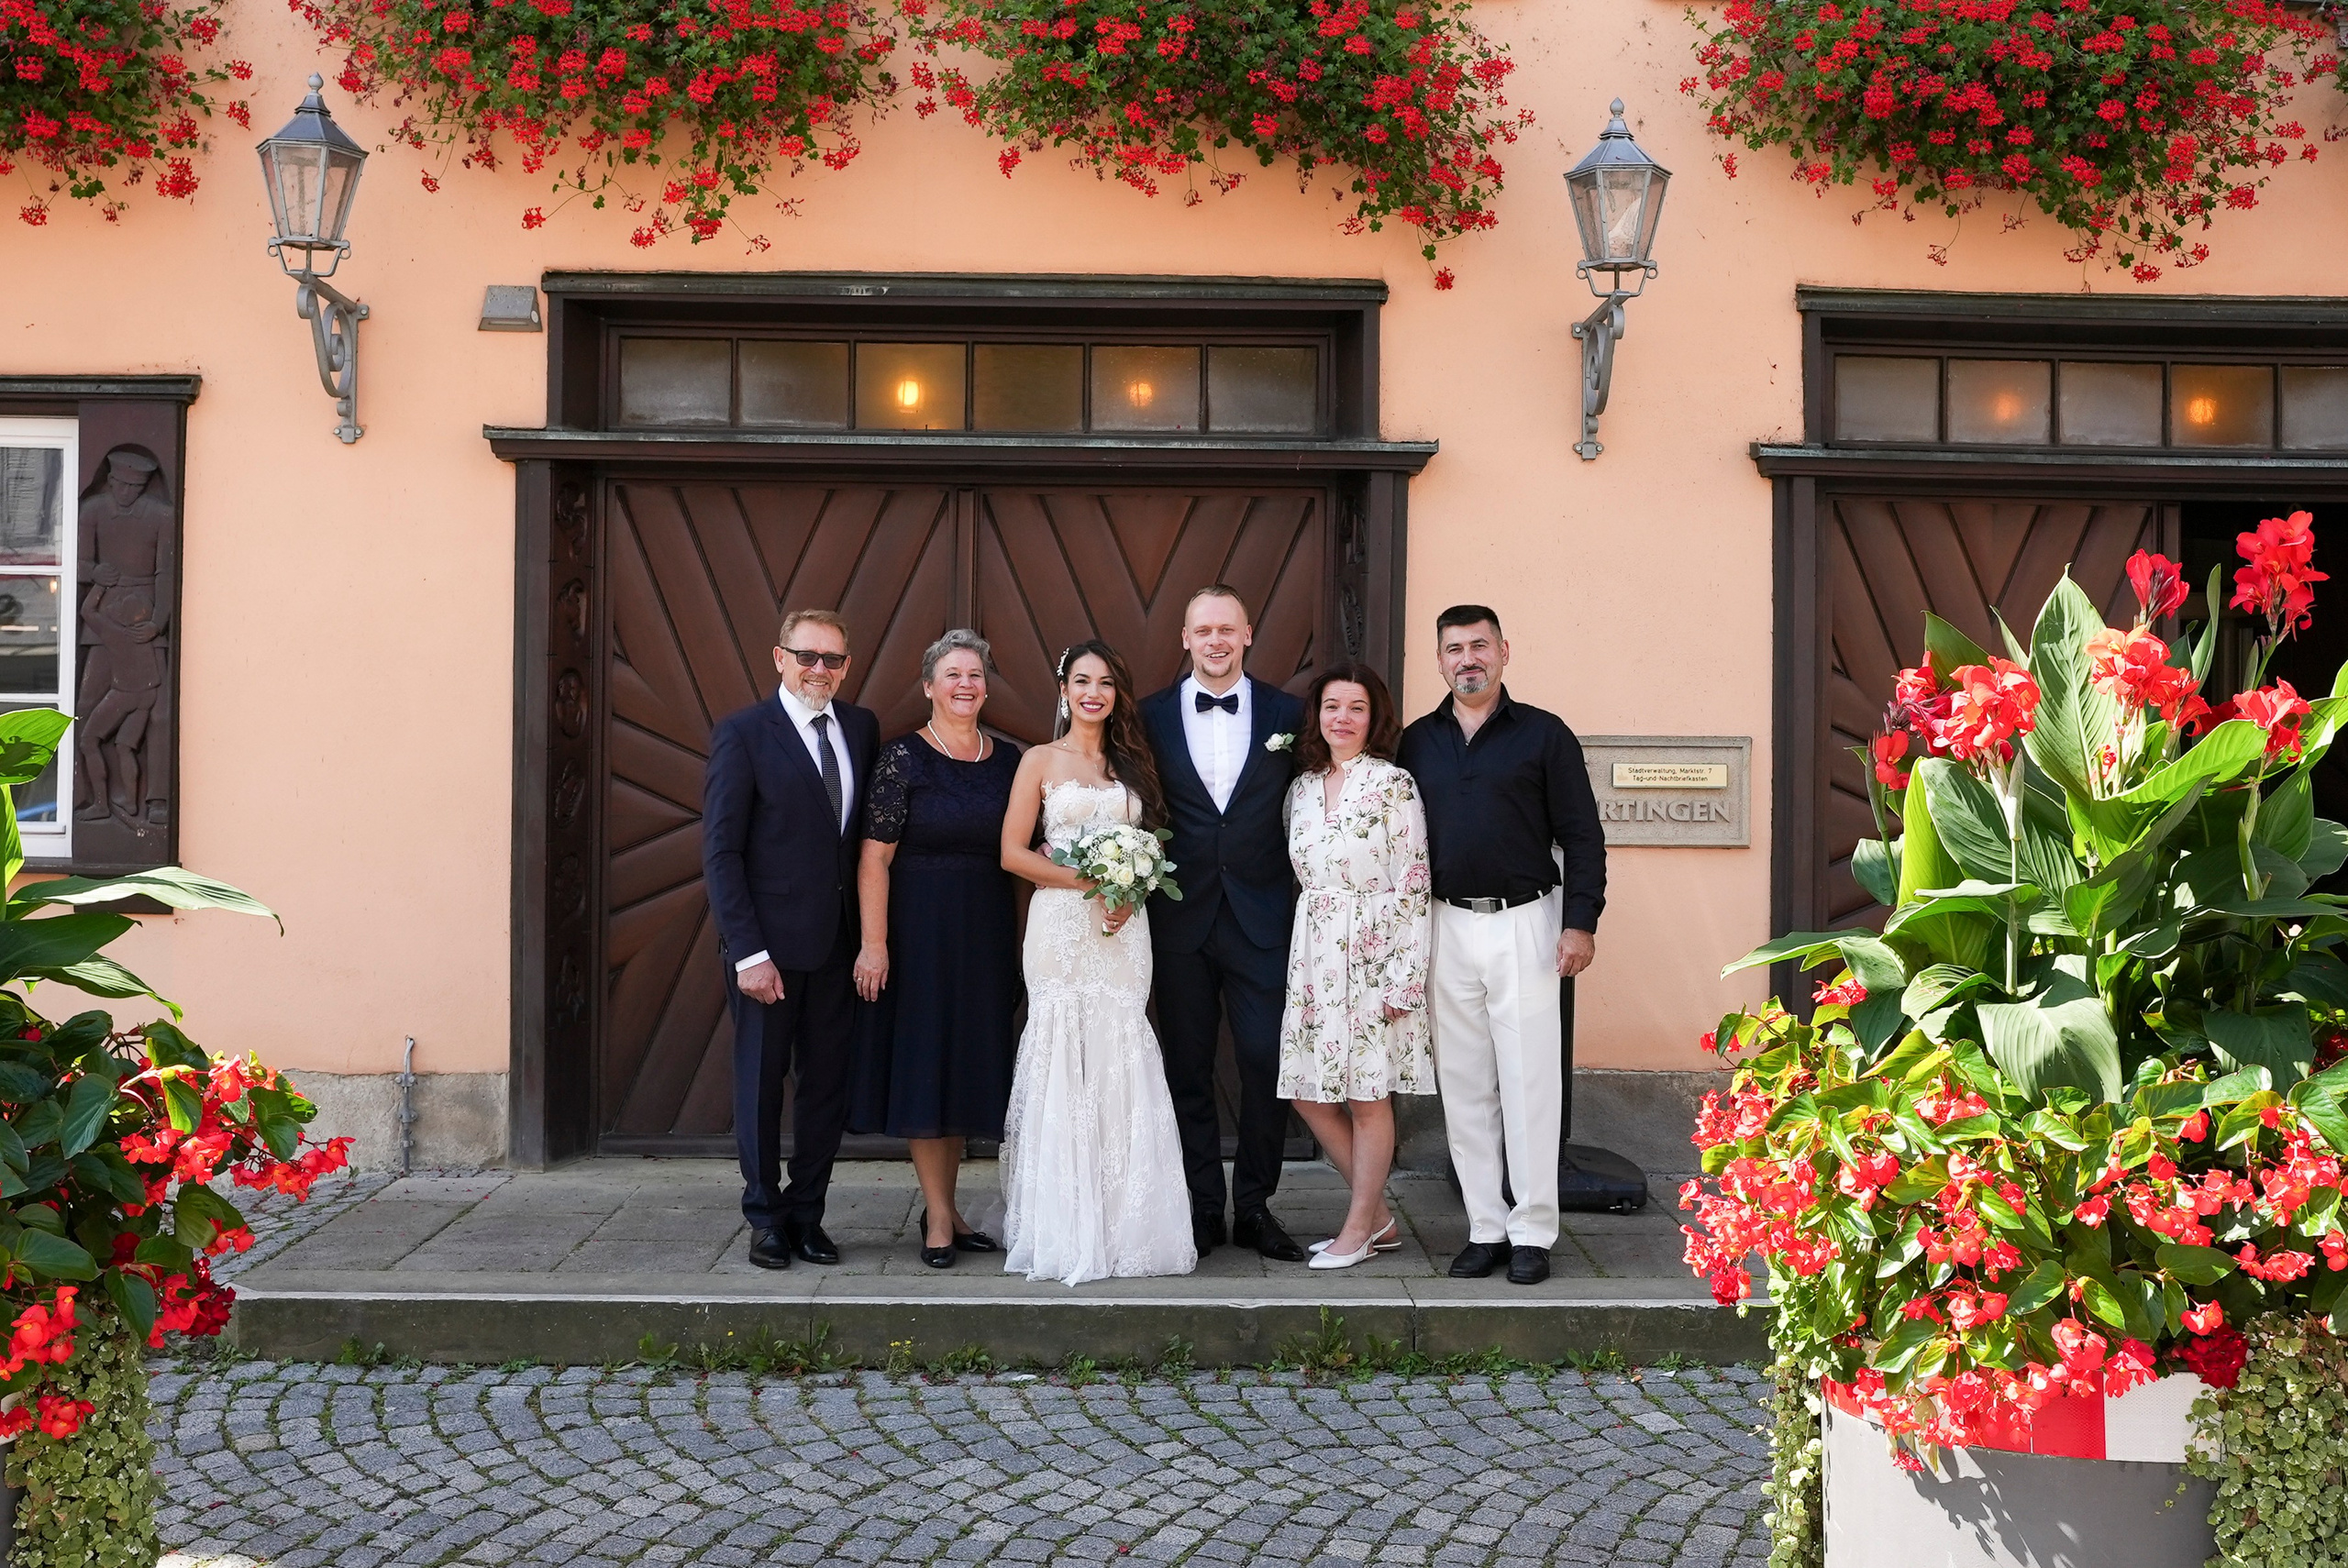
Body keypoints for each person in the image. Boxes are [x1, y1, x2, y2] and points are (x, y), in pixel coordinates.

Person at [1396, 606, 1606, 1287]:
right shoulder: (1416, 742)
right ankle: (1484, 1228)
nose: (1467, 659)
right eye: (1454, 649)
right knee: (1463, 1085)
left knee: (1529, 1082)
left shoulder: (1545, 735)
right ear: (1439, 660)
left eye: (1479, 645)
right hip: (1444, 924)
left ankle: (1533, 1231)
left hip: (1527, 923)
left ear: (1505, 652)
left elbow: (1582, 836)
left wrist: (1581, 921)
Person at [997, 641, 1197, 1286]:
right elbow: (1011, 853)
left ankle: (1127, 1227)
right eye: (1082, 681)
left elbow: (1150, 849)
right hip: (1060, 925)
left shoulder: (1133, 763)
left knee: (1119, 1051)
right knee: (1063, 1051)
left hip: (1121, 930)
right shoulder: (1039, 761)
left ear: (1117, 696)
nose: (1093, 693)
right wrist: (1086, 885)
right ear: (1063, 690)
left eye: (1106, 683)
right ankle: (1063, 1224)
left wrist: (1129, 891)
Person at [702, 608, 880, 1271]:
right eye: (807, 656)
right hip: (767, 952)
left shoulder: (860, 729)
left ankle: (809, 1214)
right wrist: (747, 952)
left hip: (838, 947)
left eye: (832, 660)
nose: (819, 670)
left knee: (825, 1087)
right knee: (759, 1085)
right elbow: (721, 852)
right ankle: (764, 1218)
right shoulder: (744, 734)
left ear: (847, 667)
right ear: (779, 657)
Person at [1138, 587, 1309, 1263]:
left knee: (1267, 1062)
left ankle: (1258, 1208)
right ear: (1184, 637)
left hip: (1263, 916)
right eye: (1202, 629)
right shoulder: (1147, 717)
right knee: (1187, 1067)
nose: (1215, 640)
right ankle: (1203, 1207)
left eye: (1226, 630)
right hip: (1179, 917)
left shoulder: (1288, 714)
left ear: (1247, 635)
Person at [849, 630, 1022, 1268]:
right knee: (927, 1074)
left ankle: (944, 1208)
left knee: (962, 1075)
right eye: (952, 674)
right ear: (928, 686)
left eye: (975, 674)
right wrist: (874, 944)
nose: (965, 685)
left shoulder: (1008, 761)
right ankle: (940, 1222)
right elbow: (874, 859)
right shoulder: (903, 759)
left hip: (985, 931)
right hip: (918, 931)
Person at [1277, 664, 1434, 1271]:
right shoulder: (1302, 788)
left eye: (1357, 707)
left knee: (1369, 1096)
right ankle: (1381, 1218)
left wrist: (1405, 976)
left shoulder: (1394, 785)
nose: (1343, 717)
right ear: (1316, 714)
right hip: (1315, 951)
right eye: (1332, 705)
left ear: (1375, 717)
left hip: (1375, 949)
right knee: (1307, 1092)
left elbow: (1414, 882)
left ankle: (1357, 1228)